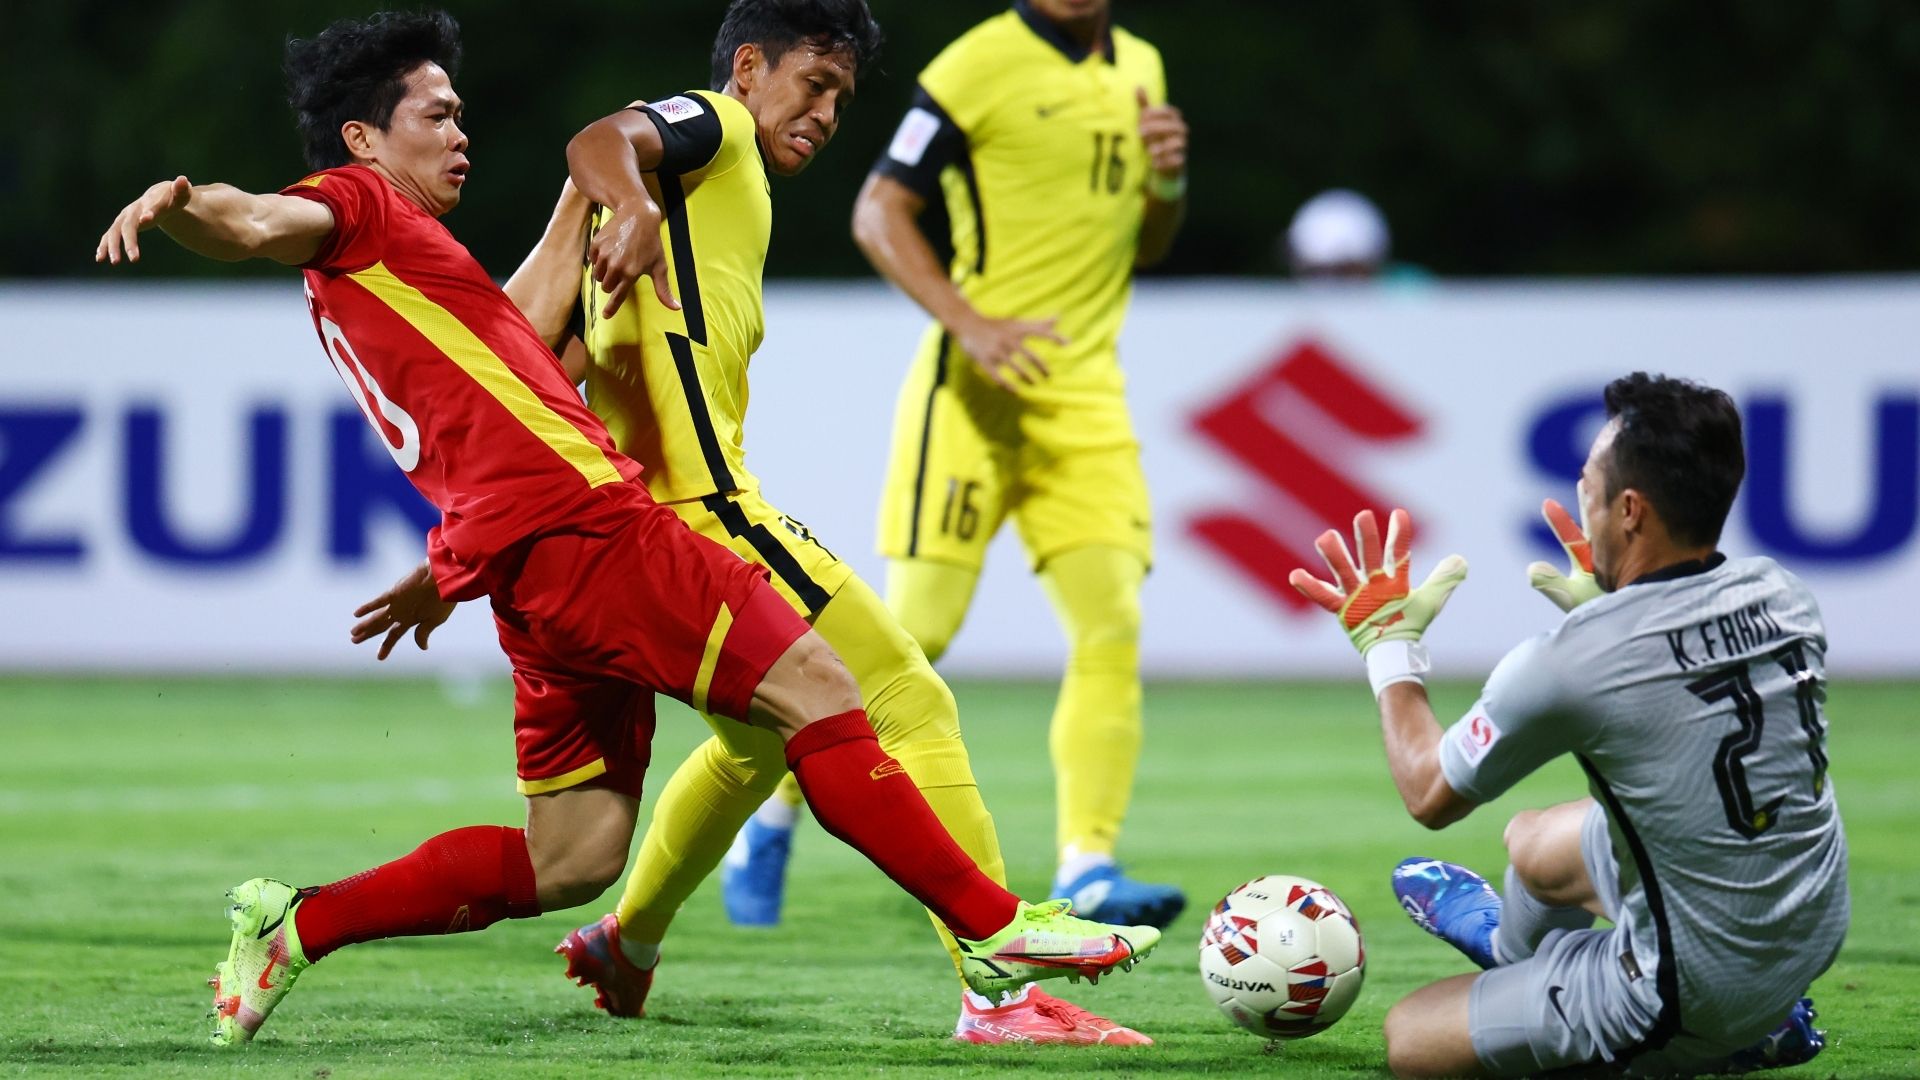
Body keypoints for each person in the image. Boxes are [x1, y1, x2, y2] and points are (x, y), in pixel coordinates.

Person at [93, 9, 1159, 1047]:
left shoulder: (419, 266)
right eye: (437, 114)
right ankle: (998, 936)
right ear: (368, 139)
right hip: (596, 531)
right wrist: (186, 205)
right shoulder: (357, 202)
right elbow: (260, 220)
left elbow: (518, 357)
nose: (461, 131)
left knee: (573, 855)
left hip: (524, 566)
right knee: (838, 691)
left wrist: (450, 563)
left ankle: (299, 924)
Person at [500, 0, 1148, 1046]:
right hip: (703, 519)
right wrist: (626, 205)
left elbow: (571, 360)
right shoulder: (711, 125)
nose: (828, 111)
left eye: (843, 97)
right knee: (910, 698)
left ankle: (628, 941)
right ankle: (1001, 995)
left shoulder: (713, 190)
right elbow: (597, 140)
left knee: (756, 751)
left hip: (655, 528)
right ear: (750, 67)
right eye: (814, 83)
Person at [710, 0, 1187, 933]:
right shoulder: (979, 65)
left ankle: (1089, 862)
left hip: (1085, 399)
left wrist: (1166, 186)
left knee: (1112, 622)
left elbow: (1149, 244)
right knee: (914, 633)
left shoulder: (1145, 68)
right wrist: (971, 325)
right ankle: (769, 819)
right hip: (971, 396)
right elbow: (879, 210)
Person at [1287, 373, 1845, 1077]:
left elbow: (1429, 794)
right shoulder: (1784, 593)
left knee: (1411, 1040)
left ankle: (1731, 1034)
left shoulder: (1573, 662)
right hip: (1809, 918)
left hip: (1692, 987)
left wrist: (1388, 647)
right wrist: (1613, 605)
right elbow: (1672, 683)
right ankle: (1516, 958)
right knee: (1531, 844)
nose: (1583, 498)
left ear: (1631, 510)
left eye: (1589, 483)